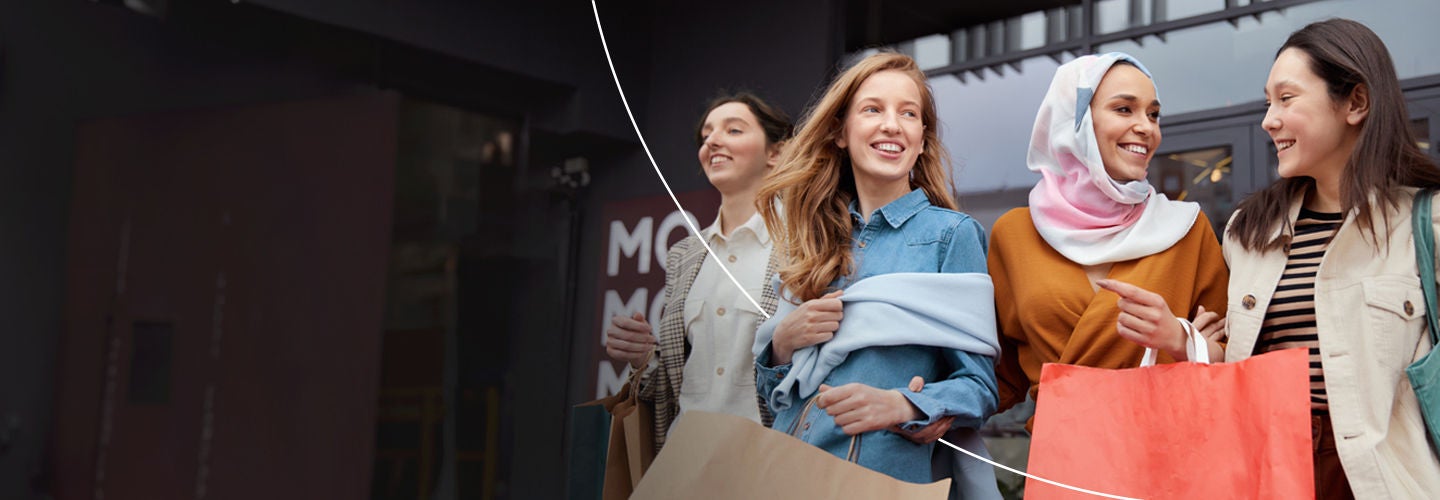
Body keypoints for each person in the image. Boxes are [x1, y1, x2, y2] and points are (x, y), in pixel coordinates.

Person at [751, 52, 1000, 493]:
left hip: (881, 480)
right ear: (840, 132)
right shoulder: (815, 241)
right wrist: (784, 343)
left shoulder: (952, 235)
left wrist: (902, 404)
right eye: (873, 109)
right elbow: (774, 393)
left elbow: (979, 388)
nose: (892, 124)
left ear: (922, 140)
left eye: (909, 113)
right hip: (788, 473)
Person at [1220, 19, 1440, 498]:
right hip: (1268, 472)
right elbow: (1234, 367)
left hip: (1382, 479)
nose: (1268, 119)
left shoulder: (1428, 222)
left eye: (1287, 98)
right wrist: (1184, 337)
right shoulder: (1247, 232)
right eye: (1267, 101)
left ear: (1356, 103)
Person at [987, 53, 1229, 431]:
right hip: (1063, 461)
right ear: (1075, 120)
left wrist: (1180, 340)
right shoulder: (1015, 234)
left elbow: (1235, 355)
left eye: (1153, 114)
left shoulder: (1185, 229)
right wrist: (918, 403)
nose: (1146, 127)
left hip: (1170, 455)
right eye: (1124, 109)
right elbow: (1001, 376)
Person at [604, 92, 792, 451]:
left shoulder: (807, 244)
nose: (712, 142)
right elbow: (675, 387)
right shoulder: (684, 256)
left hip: (767, 466)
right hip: (684, 461)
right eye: (706, 135)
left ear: (776, 153)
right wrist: (641, 357)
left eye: (733, 130)